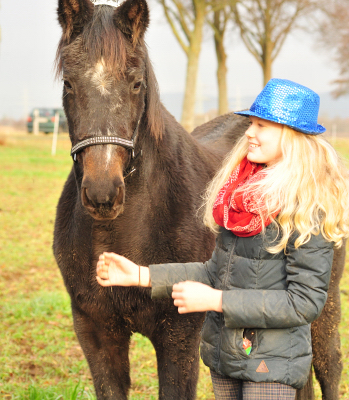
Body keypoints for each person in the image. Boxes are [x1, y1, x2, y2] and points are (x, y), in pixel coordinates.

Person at [96, 78, 349, 400]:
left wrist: (216, 301)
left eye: (262, 126)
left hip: (271, 366)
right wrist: (141, 275)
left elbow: (305, 303)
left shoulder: (306, 209)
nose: (249, 133)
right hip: (227, 355)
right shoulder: (241, 201)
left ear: (293, 138)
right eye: (251, 123)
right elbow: (217, 272)